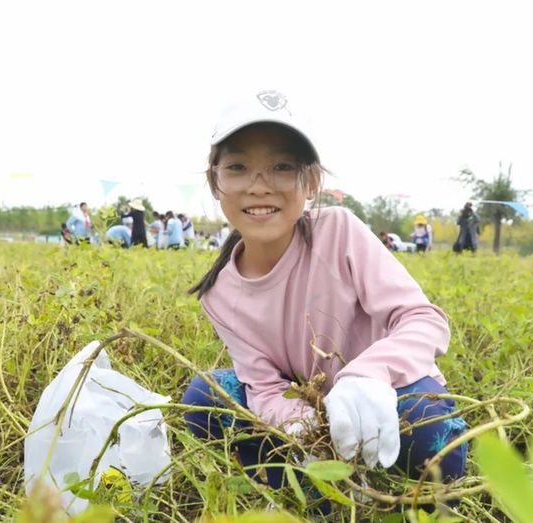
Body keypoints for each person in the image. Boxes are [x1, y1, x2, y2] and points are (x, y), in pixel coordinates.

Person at [181, 91, 466, 493]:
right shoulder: (220, 294)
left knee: (426, 421)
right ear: (215, 181)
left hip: (386, 391)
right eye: (238, 167)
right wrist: (305, 429)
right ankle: (322, 489)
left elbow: (423, 320)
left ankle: (410, 497)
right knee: (203, 397)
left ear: (311, 180)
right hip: (315, 412)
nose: (259, 186)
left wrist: (368, 376)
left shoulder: (338, 232)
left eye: (281, 167)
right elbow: (263, 386)